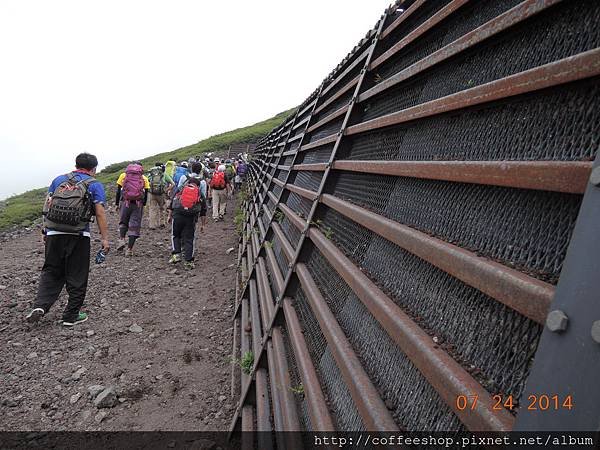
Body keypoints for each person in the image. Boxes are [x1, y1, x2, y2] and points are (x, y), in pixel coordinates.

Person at [26, 153, 109, 326]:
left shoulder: (58, 180)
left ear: (76, 164)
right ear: (94, 169)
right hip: (79, 235)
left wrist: (45, 230)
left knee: (51, 271)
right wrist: (105, 239)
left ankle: (40, 305)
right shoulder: (94, 184)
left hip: (54, 233)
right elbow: (100, 212)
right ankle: (71, 315)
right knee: (77, 274)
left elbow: (47, 204)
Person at [168, 175, 205, 270]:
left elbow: (172, 203)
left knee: (175, 235)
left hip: (177, 215)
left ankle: (176, 254)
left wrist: (169, 216)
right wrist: (203, 224)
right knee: (189, 238)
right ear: (198, 185)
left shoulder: (181, 189)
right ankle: (188, 262)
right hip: (191, 218)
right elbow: (203, 211)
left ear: (188, 183)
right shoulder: (199, 192)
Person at [115, 162, 149, 256]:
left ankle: (122, 239)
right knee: (134, 225)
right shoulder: (144, 178)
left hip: (125, 202)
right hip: (138, 204)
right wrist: (144, 205)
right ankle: (129, 249)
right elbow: (146, 193)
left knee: (123, 221)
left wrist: (117, 203)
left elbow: (118, 191)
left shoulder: (123, 175)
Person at [177, 162, 208, 232]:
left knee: (176, 233)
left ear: (191, 169)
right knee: (191, 232)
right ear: (200, 170)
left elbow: (179, 189)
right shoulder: (202, 182)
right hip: (194, 209)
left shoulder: (184, 177)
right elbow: (203, 197)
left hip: (181, 207)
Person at [148, 162, 173, 230]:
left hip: (152, 193)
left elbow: (147, 182)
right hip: (161, 194)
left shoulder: (151, 174)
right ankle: (162, 223)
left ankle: (152, 225)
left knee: (152, 208)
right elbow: (173, 184)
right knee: (162, 208)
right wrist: (166, 190)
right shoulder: (164, 174)